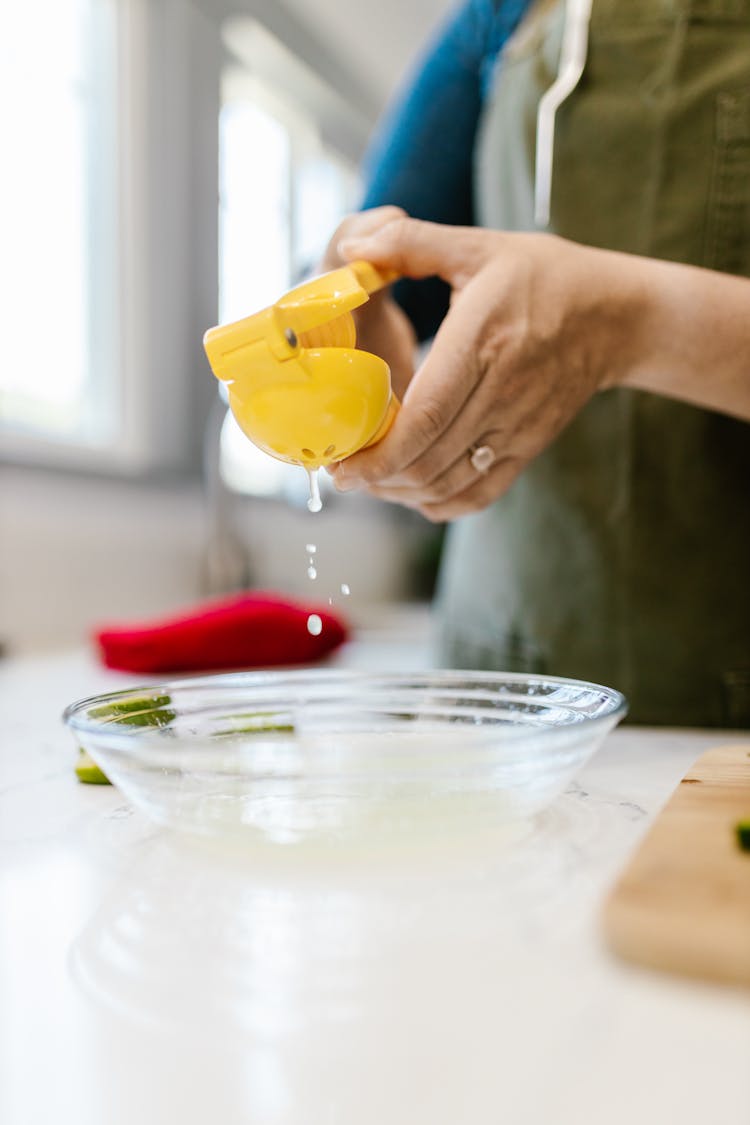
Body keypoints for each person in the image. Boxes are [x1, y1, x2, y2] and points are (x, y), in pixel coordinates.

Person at [321, 0, 750, 727]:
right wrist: (346, 304)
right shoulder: (502, 14)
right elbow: (387, 277)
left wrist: (624, 318)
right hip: (497, 683)